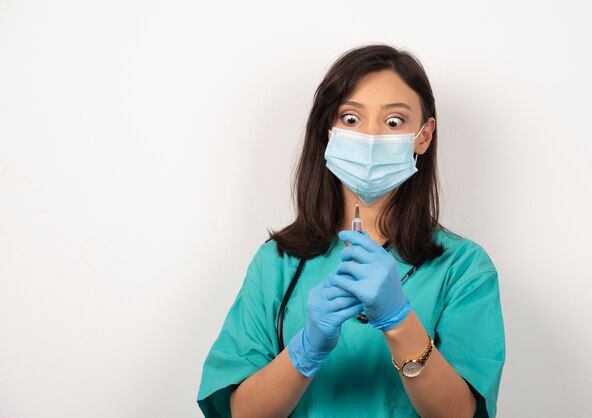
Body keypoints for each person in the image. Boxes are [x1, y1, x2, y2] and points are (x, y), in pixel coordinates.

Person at [197, 44, 505, 418]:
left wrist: (399, 321)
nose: (371, 137)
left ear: (423, 136)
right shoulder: (277, 262)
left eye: (394, 121)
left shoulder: (464, 268)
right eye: (351, 119)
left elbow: (463, 414)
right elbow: (241, 413)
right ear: (328, 132)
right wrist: (306, 349)